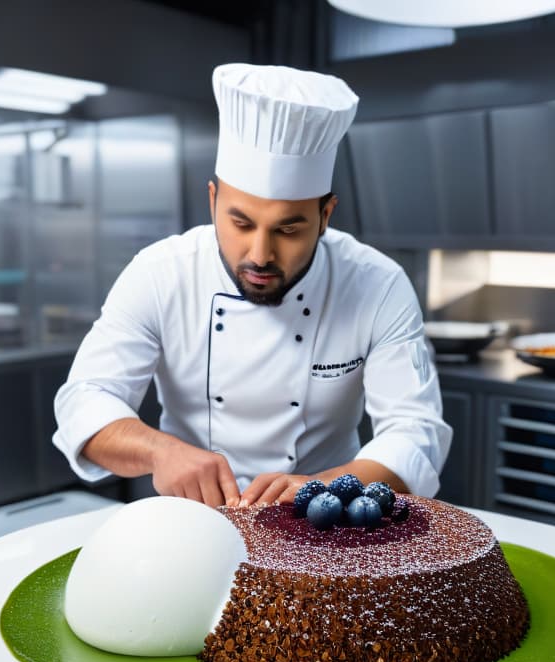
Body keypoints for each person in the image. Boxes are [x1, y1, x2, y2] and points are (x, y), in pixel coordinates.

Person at [53, 63, 451, 509]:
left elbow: (416, 431)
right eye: (240, 223)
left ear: (326, 216)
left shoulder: (376, 284)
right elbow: (84, 401)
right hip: (190, 522)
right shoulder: (161, 273)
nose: (260, 254)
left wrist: (327, 488)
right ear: (212, 200)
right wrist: (159, 450)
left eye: (288, 230)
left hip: (323, 525)